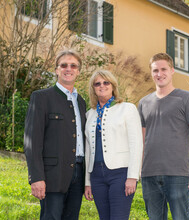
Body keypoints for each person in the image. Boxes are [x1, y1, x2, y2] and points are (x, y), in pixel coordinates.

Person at [138, 53, 189, 220]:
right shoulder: (143, 103)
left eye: (163, 69)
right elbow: (142, 141)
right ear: (151, 73)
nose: (159, 74)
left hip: (178, 174)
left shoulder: (186, 99)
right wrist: (138, 170)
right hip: (149, 174)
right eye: (155, 70)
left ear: (172, 71)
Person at [24, 49, 86, 220]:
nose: (69, 69)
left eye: (73, 65)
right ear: (57, 70)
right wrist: (36, 177)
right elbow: (32, 142)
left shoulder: (81, 102)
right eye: (64, 65)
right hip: (52, 175)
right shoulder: (41, 97)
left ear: (78, 71)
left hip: (78, 174)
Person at [84, 70, 143, 220]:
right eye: (97, 83)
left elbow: (136, 144)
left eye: (106, 82)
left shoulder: (127, 108)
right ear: (93, 88)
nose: (102, 86)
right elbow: (88, 149)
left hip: (120, 174)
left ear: (113, 86)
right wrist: (87, 182)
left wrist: (133, 177)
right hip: (96, 175)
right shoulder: (89, 114)